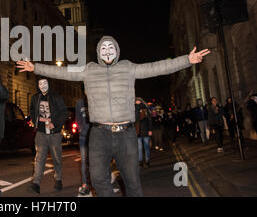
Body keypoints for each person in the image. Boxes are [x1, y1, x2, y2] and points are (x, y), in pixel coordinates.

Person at [17, 36, 210, 197]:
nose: (107, 50)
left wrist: (186, 60)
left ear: (116, 51)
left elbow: (155, 67)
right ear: (99, 52)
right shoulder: (88, 69)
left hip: (126, 134)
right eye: (103, 48)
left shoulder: (128, 67)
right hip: (99, 134)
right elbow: (63, 71)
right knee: (99, 179)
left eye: (111, 47)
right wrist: (36, 68)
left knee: (132, 183)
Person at [29, 78, 67, 194]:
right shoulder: (35, 98)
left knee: (56, 159)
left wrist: (55, 124)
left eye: (45, 83)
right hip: (40, 134)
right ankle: (36, 183)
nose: (43, 85)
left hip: (54, 134)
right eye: (40, 83)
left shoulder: (56, 97)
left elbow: (63, 113)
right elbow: (32, 110)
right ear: (38, 85)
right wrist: (34, 120)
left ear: (49, 84)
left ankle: (58, 180)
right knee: (39, 159)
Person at [75, 85, 91, 195]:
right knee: (84, 162)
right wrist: (81, 129)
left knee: (96, 162)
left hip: (95, 137)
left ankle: (98, 182)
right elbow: (77, 118)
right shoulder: (79, 103)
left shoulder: (95, 100)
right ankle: (85, 184)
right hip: (83, 137)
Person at [135, 99, 152, 168]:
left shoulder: (145, 109)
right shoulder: (134, 110)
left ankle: (147, 161)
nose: (137, 102)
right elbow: (135, 119)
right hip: (138, 132)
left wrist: (150, 129)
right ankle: (140, 161)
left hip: (145, 131)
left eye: (138, 101)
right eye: (136, 101)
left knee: (146, 147)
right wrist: (137, 108)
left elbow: (149, 120)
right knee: (139, 148)